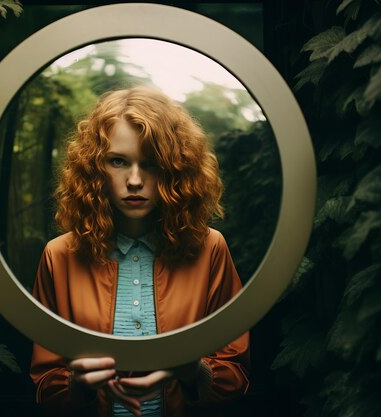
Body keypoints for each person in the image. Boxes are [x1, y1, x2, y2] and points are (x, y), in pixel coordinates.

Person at [30, 86, 250, 417]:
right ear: (95, 169)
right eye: (118, 161)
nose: (134, 180)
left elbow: (237, 376)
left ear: (174, 169)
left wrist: (193, 371)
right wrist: (78, 386)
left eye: (150, 164)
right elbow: (44, 384)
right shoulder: (59, 255)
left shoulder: (209, 249)